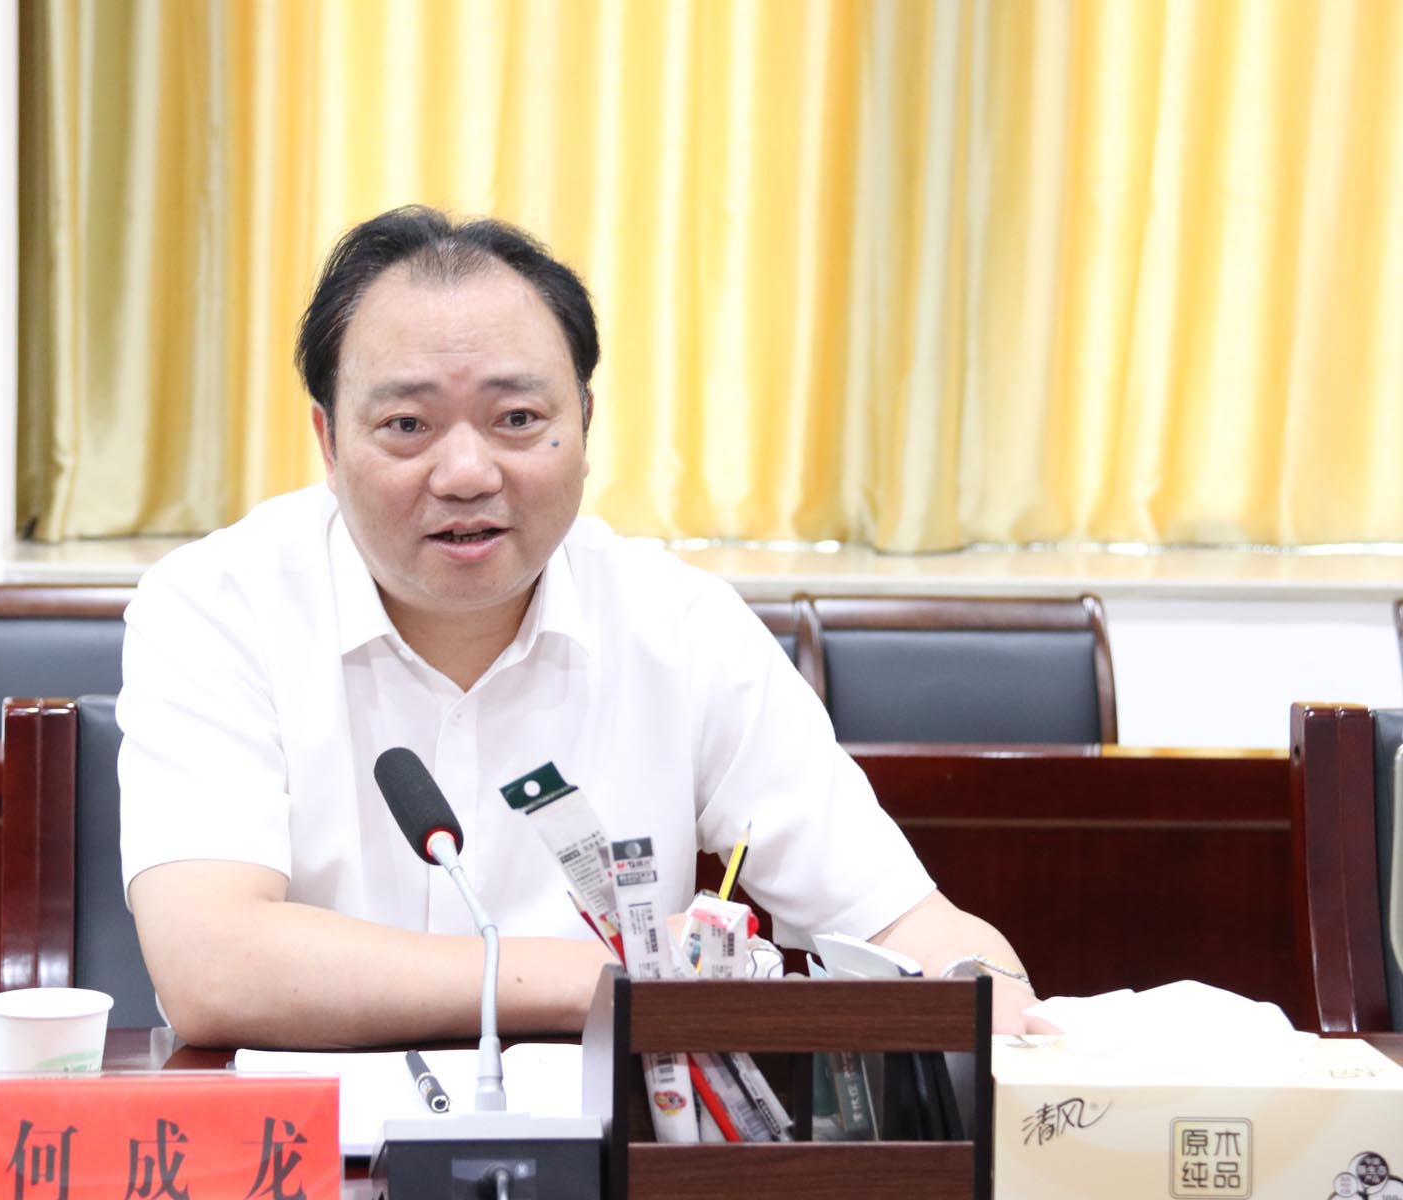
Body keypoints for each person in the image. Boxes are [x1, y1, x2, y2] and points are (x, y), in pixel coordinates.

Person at [120, 206, 1040, 1049]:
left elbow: (905, 923)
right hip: (306, 1148)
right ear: (328, 442)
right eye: (407, 424)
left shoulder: (681, 627)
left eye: (518, 419)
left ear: (587, 424)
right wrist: (613, 980)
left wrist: (989, 993)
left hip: (602, 1146)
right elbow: (213, 966)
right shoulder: (217, 606)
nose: (467, 473)